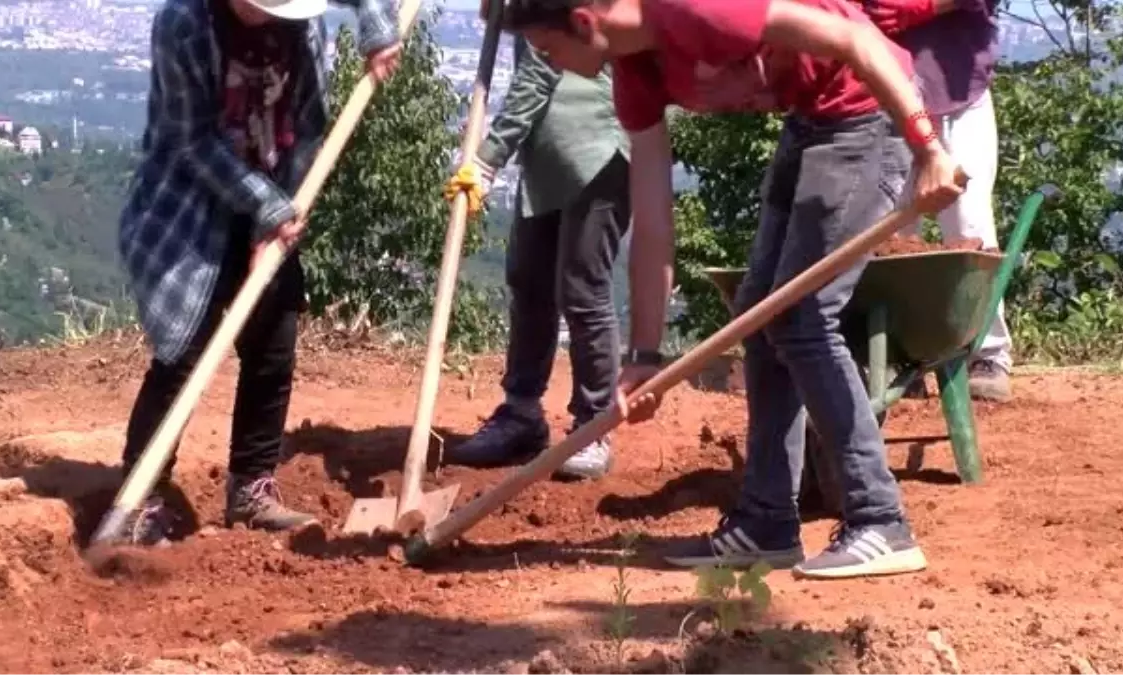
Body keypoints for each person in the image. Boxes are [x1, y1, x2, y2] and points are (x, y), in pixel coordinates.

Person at [497, 0, 966, 579]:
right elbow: (653, 217)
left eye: (551, 51)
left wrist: (928, 149)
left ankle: (880, 520)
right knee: (760, 316)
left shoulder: (695, 8)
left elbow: (858, 42)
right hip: (813, 120)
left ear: (586, 22)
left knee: (803, 317)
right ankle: (766, 524)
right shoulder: (634, 74)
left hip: (870, 111)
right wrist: (645, 357)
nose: (558, 67)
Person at [115, 0, 402, 546]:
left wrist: (377, 27)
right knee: (182, 355)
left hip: (277, 189)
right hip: (188, 205)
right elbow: (190, 141)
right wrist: (264, 207)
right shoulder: (183, 23)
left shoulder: (297, 21)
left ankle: (251, 488)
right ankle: (139, 495)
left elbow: (311, 120)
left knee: (272, 346)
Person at [444, 35, 631, 480]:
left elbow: (540, 67)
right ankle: (521, 414)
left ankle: (594, 425)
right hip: (545, 155)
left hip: (598, 145)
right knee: (528, 282)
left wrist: (490, 156)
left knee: (583, 290)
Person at [862, 0, 1011, 402]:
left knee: (970, 225)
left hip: (958, 91)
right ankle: (899, 358)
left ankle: (987, 352)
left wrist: (921, 7)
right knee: (889, 233)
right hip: (883, 92)